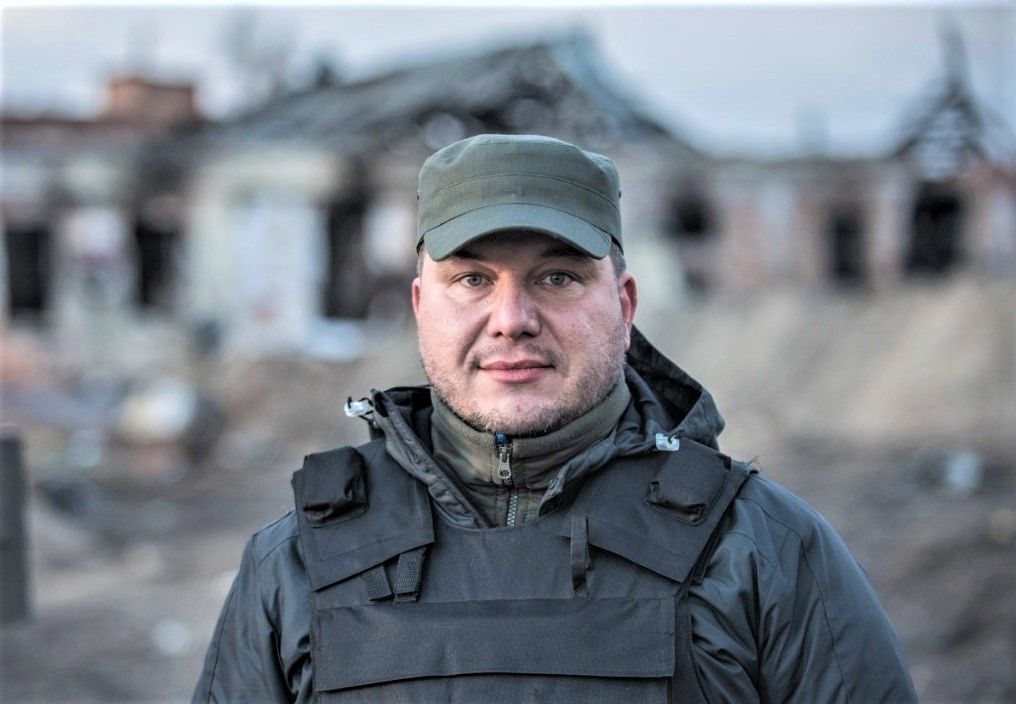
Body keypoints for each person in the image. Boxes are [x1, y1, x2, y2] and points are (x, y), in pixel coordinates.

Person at [193, 134, 918, 703]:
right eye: (472, 279)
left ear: (625, 307)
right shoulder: (295, 563)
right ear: (420, 308)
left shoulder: (764, 551)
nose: (512, 319)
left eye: (559, 276)